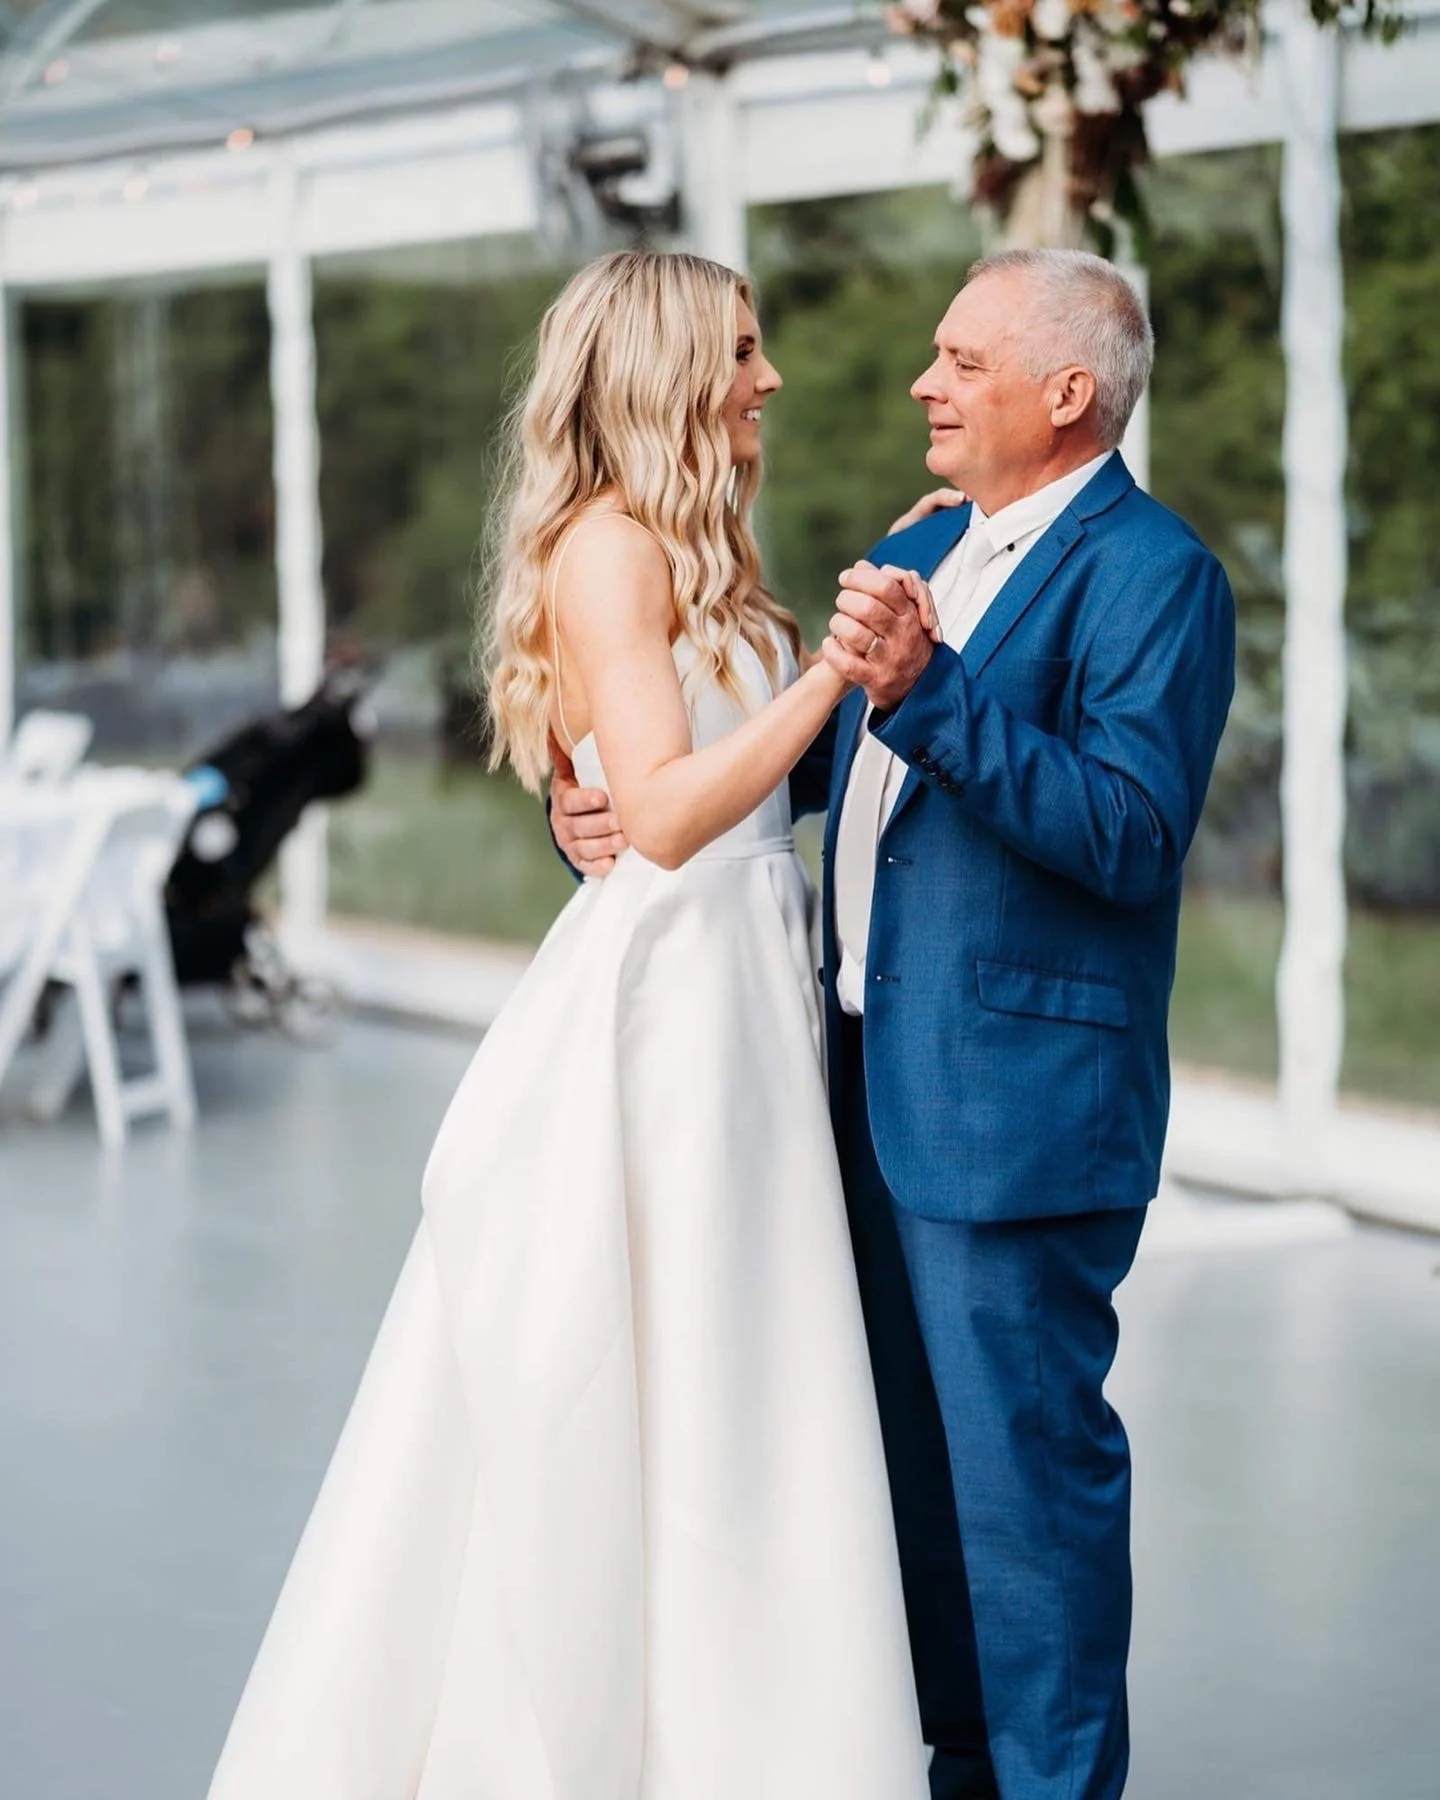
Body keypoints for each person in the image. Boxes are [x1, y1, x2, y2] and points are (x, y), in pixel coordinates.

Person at [205, 250, 932, 1799]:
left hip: (743, 985)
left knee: (735, 1361)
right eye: (746, 349)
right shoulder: (613, 549)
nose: (771, 378)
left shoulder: (696, 542)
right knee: (653, 1356)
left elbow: (670, 778)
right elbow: (666, 819)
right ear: (677, 368)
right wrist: (837, 679)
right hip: (671, 1007)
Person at [553, 248, 1238, 1800]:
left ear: (1065, 396)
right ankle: (956, 1765)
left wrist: (928, 694)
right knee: (906, 1478)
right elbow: (783, 774)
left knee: (1028, 1495)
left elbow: (1130, 831)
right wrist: (599, 800)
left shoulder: (1157, 577)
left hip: (1015, 1111)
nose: (922, 385)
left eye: (960, 362)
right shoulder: (922, 540)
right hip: (845, 1085)